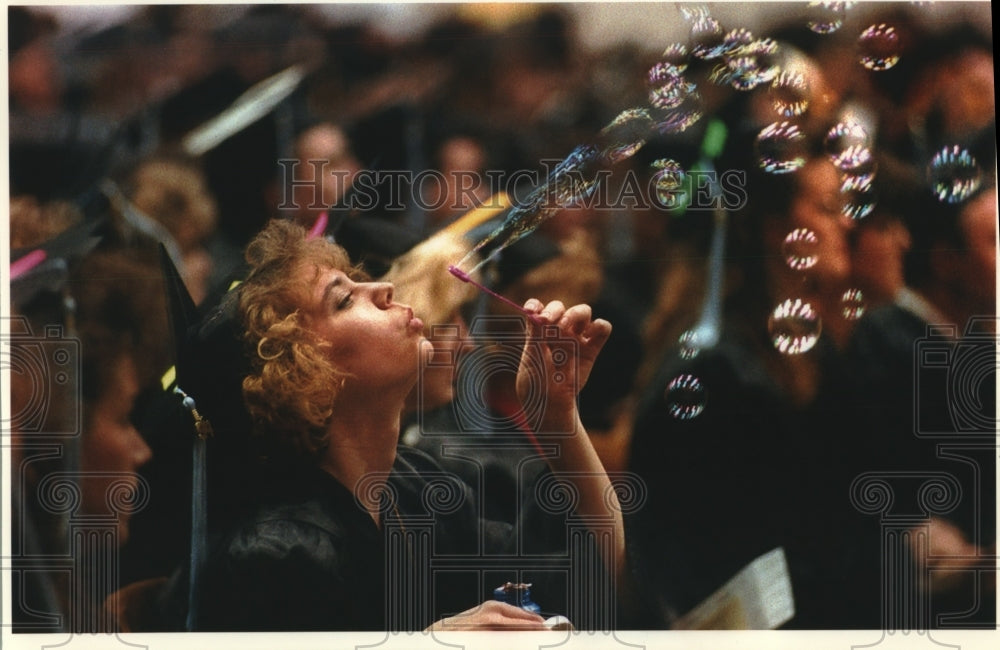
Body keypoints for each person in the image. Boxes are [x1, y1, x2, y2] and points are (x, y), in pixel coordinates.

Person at [168, 218, 625, 631]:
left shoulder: (418, 489)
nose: (385, 289)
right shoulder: (274, 554)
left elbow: (588, 578)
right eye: (344, 299)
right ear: (301, 373)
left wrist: (556, 421)